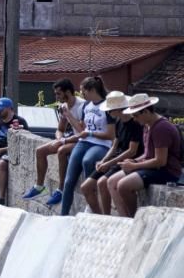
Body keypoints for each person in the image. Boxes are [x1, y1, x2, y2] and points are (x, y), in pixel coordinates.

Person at [107, 95, 183, 218]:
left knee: (123, 186)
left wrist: (134, 166)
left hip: (167, 171)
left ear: (146, 111)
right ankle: (124, 219)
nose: (135, 120)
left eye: (136, 116)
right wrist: (133, 161)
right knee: (111, 181)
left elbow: (161, 161)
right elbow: (148, 154)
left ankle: (133, 219)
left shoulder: (161, 128)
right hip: (153, 167)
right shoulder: (147, 125)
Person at [23, 78, 85, 204]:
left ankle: (61, 190)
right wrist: (59, 138)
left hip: (84, 140)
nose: (56, 97)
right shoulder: (64, 106)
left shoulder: (82, 106)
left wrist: (63, 140)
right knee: (40, 151)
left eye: (58, 93)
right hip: (71, 139)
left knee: (62, 151)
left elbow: (82, 132)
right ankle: (39, 187)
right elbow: (60, 129)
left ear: (68, 92)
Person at [58, 77, 114, 216]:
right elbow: (82, 129)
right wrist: (68, 115)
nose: (81, 95)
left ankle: (91, 201)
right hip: (85, 142)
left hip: (102, 144)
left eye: (84, 92)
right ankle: (63, 214)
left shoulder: (107, 107)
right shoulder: (86, 106)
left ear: (92, 90)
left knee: (88, 161)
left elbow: (111, 135)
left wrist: (91, 133)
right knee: (69, 180)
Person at [81, 91, 143, 214]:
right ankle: (101, 217)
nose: (108, 113)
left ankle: (107, 216)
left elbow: (132, 151)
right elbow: (114, 145)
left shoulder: (135, 124)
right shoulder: (119, 122)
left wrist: (109, 163)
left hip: (125, 160)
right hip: (115, 159)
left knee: (102, 182)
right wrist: (104, 160)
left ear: (118, 109)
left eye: (110, 110)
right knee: (86, 187)